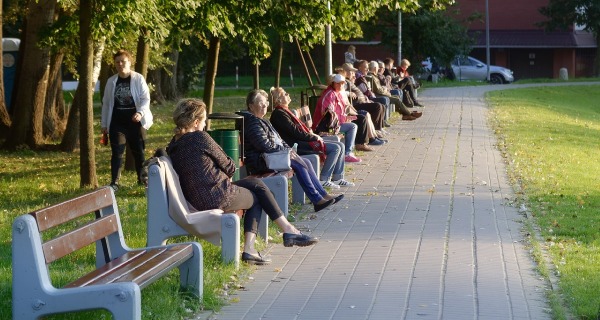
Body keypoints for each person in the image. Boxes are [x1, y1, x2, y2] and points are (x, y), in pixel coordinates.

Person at [166, 98, 318, 265]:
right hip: (216, 196)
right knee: (256, 196)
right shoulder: (200, 137)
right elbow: (230, 167)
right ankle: (253, 247)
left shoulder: (173, 145)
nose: (204, 125)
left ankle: (288, 230)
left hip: (199, 195)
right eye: (203, 121)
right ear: (195, 122)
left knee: (256, 184)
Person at [238, 89, 343, 212]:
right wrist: (286, 151)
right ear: (251, 106)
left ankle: (322, 195)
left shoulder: (260, 120)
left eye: (266, 102)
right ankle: (317, 200)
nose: (265, 105)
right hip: (261, 161)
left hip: (270, 157)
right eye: (261, 103)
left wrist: (287, 150)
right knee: (298, 164)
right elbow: (264, 146)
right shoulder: (252, 123)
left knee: (306, 162)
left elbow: (278, 139)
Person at [269, 87, 355, 189]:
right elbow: (296, 133)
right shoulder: (279, 114)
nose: (288, 95)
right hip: (295, 145)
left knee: (340, 145)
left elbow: (299, 132)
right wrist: (313, 137)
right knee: (335, 148)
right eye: (285, 94)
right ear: (278, 99)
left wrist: (313, 136)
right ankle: (324, 179)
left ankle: (337, 178)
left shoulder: (285, 111)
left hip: (300, 141)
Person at [101, 49, 153, 191]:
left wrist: (140, 113)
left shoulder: (138, 78)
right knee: (117, 152)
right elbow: (106, 103)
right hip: (117, 123)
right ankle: (115, 183)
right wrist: (104, 124)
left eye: (123, 61)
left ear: (129, 62)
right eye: (117, 62)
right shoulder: (111, 82)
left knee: (139, 153)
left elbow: (145, 99)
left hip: (135, 123)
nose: (120, 64)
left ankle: (142, 180)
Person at [313, 74, 369, 162]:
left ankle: (349, 152)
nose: (340, 85)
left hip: (333, 124)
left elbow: (341, 110)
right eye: (338, 83)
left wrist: (348, 116)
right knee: (352, 126)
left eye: (342, 83)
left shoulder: (337, 93)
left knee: (356, 122)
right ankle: (347, 153)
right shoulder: (329, 95)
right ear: (333, 83)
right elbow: (328, 115)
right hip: (325, 128)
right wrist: (345, 118)